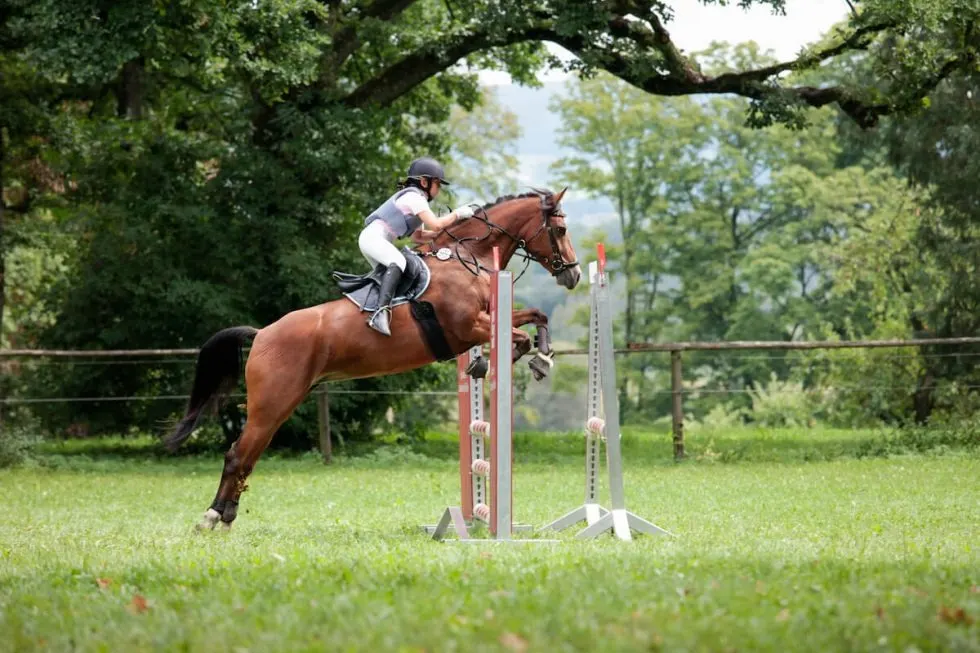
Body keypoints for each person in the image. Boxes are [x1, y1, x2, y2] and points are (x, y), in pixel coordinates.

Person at [359, 157, 479, 336]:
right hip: (373, 238)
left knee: (394, 282)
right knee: (399, 262)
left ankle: (386, 313)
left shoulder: (416, 200)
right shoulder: (414, 197)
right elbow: (436, 225)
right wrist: (457, 214)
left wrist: (446, 236)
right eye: (437, 183)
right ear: (424, 182)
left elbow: (419, 237)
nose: (439, 189)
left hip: (376, 240)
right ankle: (379, 315)